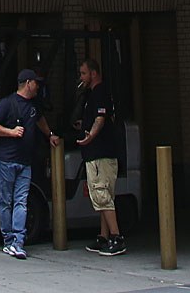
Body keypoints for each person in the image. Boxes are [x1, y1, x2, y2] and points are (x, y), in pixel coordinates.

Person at [0, 69, 56, 259]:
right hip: (5, 161)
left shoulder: (34, 106)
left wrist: (50, 135)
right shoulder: (7, 104)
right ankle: (8, 240)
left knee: (21, 201)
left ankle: (18, 241)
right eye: (36, 83)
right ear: (27, 83)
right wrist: (11, 132)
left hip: (25, 162)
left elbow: (40, 120)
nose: (38, 86)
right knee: (6, 200)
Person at [73, 58, 124, 256]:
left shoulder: (100, 92)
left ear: (93, 73)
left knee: (102, 194)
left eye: (84, 73)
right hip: (100, 153)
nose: (81, 77)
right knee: (105, 197)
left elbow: (100, 118)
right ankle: (104, 237)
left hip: (100, 153)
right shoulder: (93, 94)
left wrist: (89, 137)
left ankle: (117, 237)